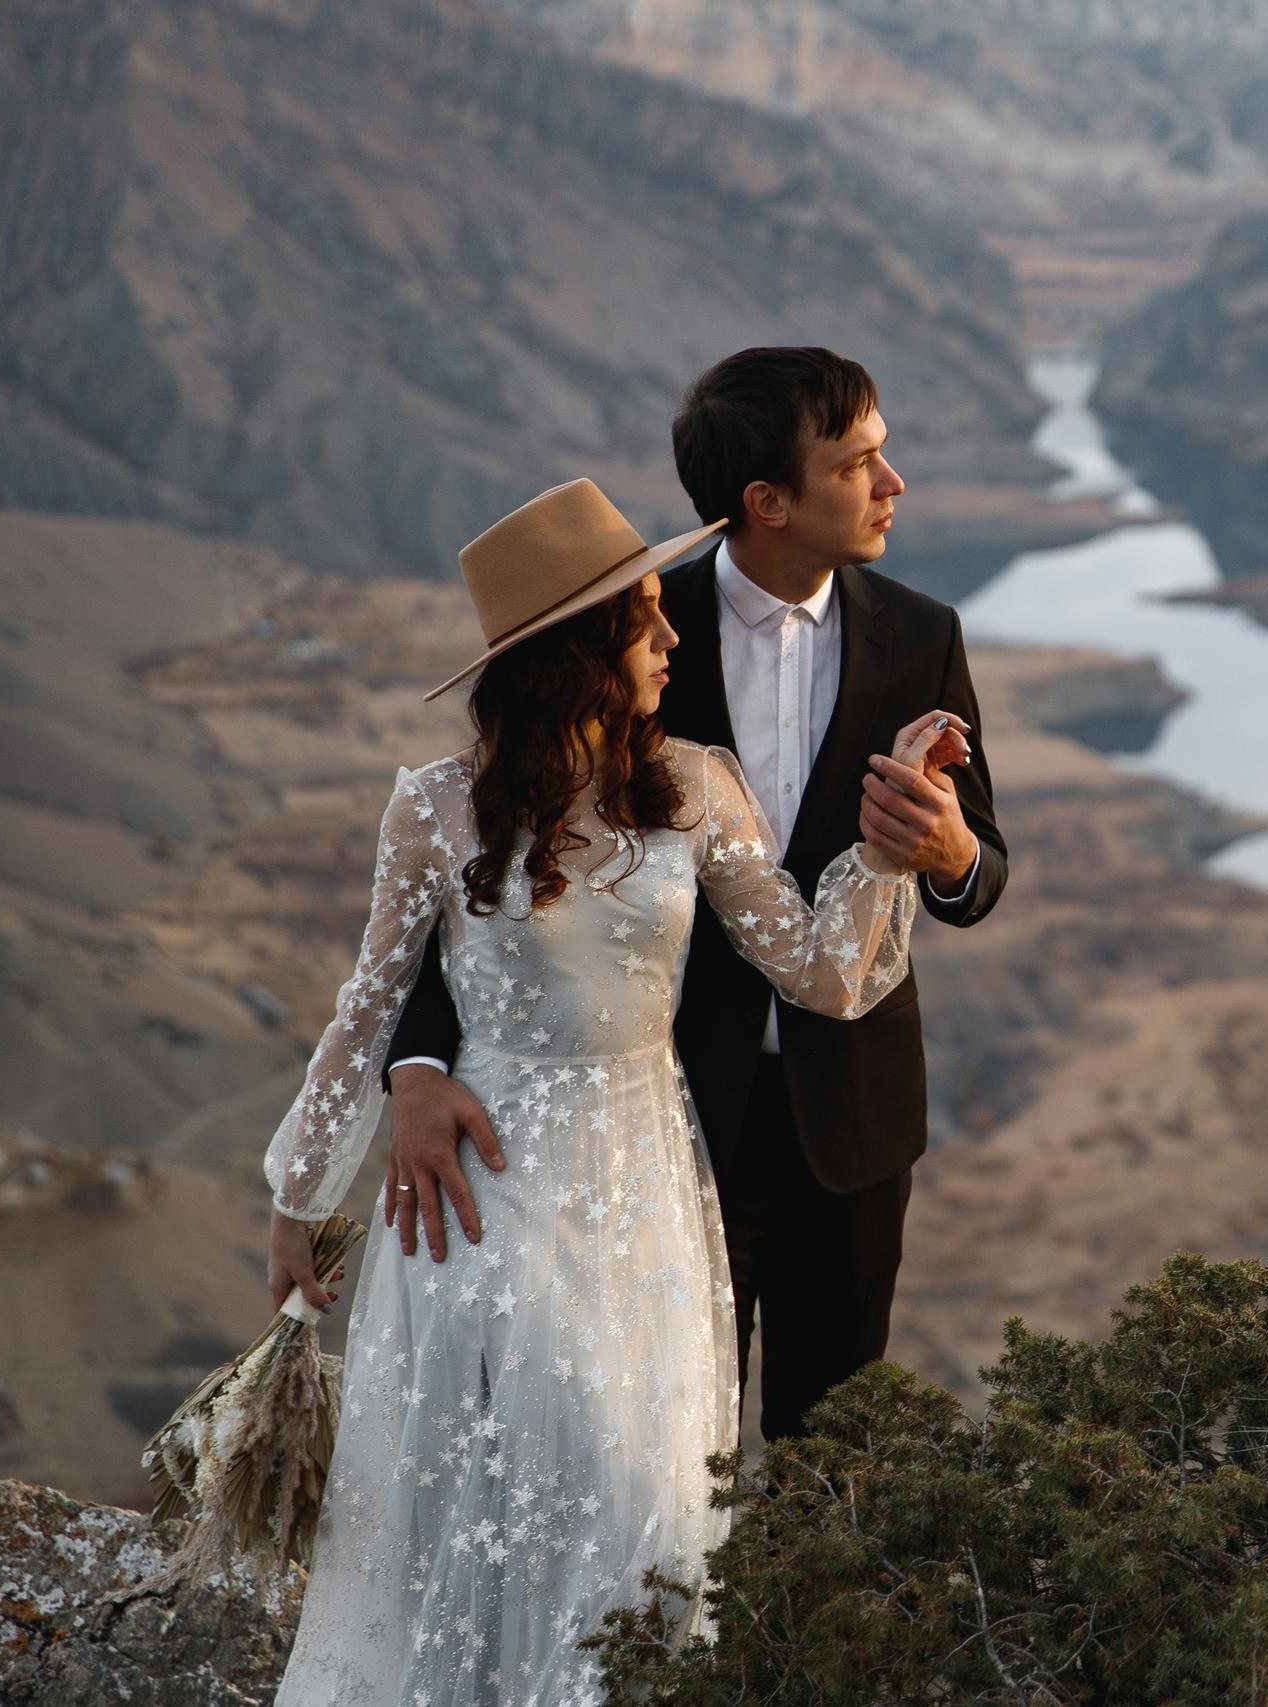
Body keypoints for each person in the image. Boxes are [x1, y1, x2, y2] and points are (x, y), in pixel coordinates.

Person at [260, 474, 971, 1704]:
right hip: (483, 1197)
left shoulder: (695, 786)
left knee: (640, 1496)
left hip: (645, 1186)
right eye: (646, 621)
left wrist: (885, 849)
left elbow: (817, 972)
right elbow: (369, 1005)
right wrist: (297, 1200)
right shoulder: (432, 807)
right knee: (524, 1477)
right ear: (575, 659)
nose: (672, 640)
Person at [381, 347, 1008, 1442]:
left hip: (852, 1125)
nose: (893, 484)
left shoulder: (922, 637)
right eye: (861, 463)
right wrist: (418, 1061)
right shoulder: (630, 634)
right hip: (659, 1123)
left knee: (836, 1451)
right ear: (766, 502)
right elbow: (484, 879)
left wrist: (952, 853)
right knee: (660, 1438)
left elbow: (978, 867)